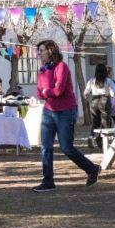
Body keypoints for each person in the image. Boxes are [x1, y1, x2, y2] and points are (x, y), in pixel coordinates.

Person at [33, 40, 100, 192]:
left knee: (66, 147)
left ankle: (92, 169)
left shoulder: (61, 67)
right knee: (46, 147)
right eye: (38, 51)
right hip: (48, 111)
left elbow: (58, 91)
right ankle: (48, 181)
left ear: (50, 51)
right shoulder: (42, 70)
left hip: (65, 111)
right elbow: (39, 93)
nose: (39, 53)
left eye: (42, 50)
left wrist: (46, 92)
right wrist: (45, 92)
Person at [83, 64, 115, 148]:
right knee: (105, 122)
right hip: (105, 101)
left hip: (94, 101)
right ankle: (102, 141)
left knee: (95, 122)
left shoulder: (91, 80)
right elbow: (113, 94)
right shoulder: (108, 81)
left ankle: (91, 136)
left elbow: (85, 93)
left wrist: (88, 97)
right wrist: (112, 94)